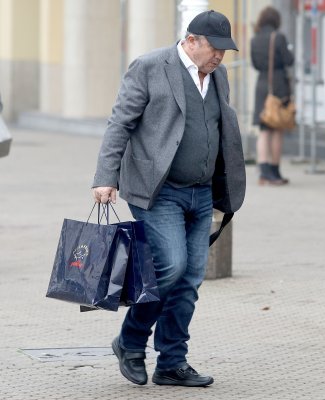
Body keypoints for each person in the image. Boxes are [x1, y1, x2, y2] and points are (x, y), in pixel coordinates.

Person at [91, 10, 245, 387]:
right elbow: (120, 123)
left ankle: (172, 362)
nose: (219, 57)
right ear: (191, 41)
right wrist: (105, 178)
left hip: (202, 192)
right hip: (158, 191)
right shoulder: (149, 67)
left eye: (225, 51)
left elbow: (218, 128)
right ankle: (130, 340)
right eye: (214, 49)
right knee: (171, 268)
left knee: (190, 279)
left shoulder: (218, 76)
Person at [251, 6, 294, 185]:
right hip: (277, 85)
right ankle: (275, 172)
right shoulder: (279, 37)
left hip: (262, 85)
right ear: (276, 20)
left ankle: (264, 172)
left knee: (263, 130)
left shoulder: (255, 39)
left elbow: (254, 64)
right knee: (277, 128)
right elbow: (289, 60)